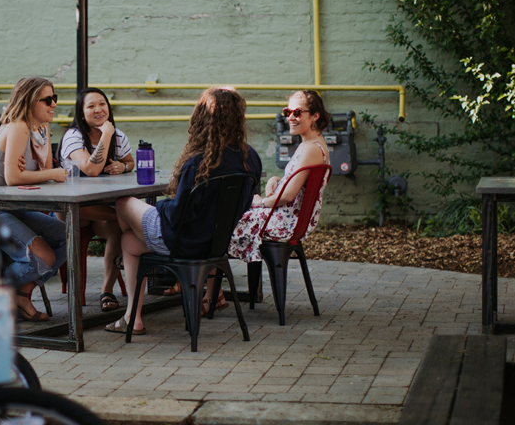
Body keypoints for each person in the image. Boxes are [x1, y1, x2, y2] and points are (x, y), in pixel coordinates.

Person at [104, 87, 262, 336]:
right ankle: (130, 317)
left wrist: (162, 205)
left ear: (201, 118)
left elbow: (177, 217)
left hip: (183, 242)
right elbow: (246, 202)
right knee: (129, 241)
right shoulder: (249, 157)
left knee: (124, 202)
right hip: (216, 245)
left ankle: (134, 315)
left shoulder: (198, 162)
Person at [0, 77, 68, 322]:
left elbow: (39, 174)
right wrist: (47, 173)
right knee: (45, 256)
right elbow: (14, 178)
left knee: (66, 236)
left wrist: (36, 171)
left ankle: (22, 294)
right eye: (47, 100)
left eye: (55, 98)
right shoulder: (18, 127)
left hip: (12, 210)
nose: (53, 104)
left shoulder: (39, 128)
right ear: (30, 101)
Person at [228, 90, 331, 265]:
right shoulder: (310, 144)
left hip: (285, 222)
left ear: (315, 116)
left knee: (222, 223)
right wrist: (275, 179)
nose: (290, 117)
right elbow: (298, 181)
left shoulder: (311, 149)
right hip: (288, 218)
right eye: (287, 112)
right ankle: (213, 287)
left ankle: (208, 286)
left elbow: (287, 196)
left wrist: (259, 202)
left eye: (297, 112)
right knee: (224, 218)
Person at [58, 87, 136, 311]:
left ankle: (106, 291)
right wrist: (107, 134)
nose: (98, 109)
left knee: (118, 228)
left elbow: (131, 162)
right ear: (82, 114)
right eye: (90, 106)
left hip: (101, 208)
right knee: (125, 217)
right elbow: (91, 169)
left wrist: (123, 166)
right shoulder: (74, 136)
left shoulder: (118, 135)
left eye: (102, 104)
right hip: (73, 209)